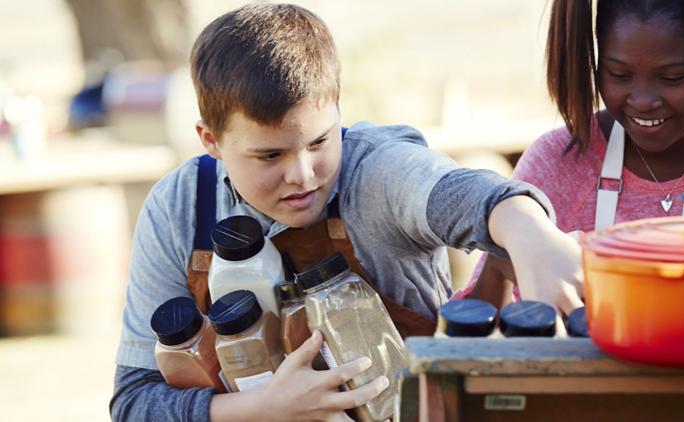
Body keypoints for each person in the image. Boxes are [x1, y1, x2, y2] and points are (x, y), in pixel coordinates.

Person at [110, 4, 583, 421]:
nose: (303, 175)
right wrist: (261, 410)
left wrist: (531, 234)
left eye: (319, 141)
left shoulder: (376, 172)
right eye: (269, 156)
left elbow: (474, 196)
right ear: (210, 139)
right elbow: (134, 402)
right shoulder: (178, 209)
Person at [462, 0, 684, 298]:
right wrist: (504, 260)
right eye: (619, 74)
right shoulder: (559, 165)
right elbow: (473, 329)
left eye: (672, 78)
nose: (643, 100)